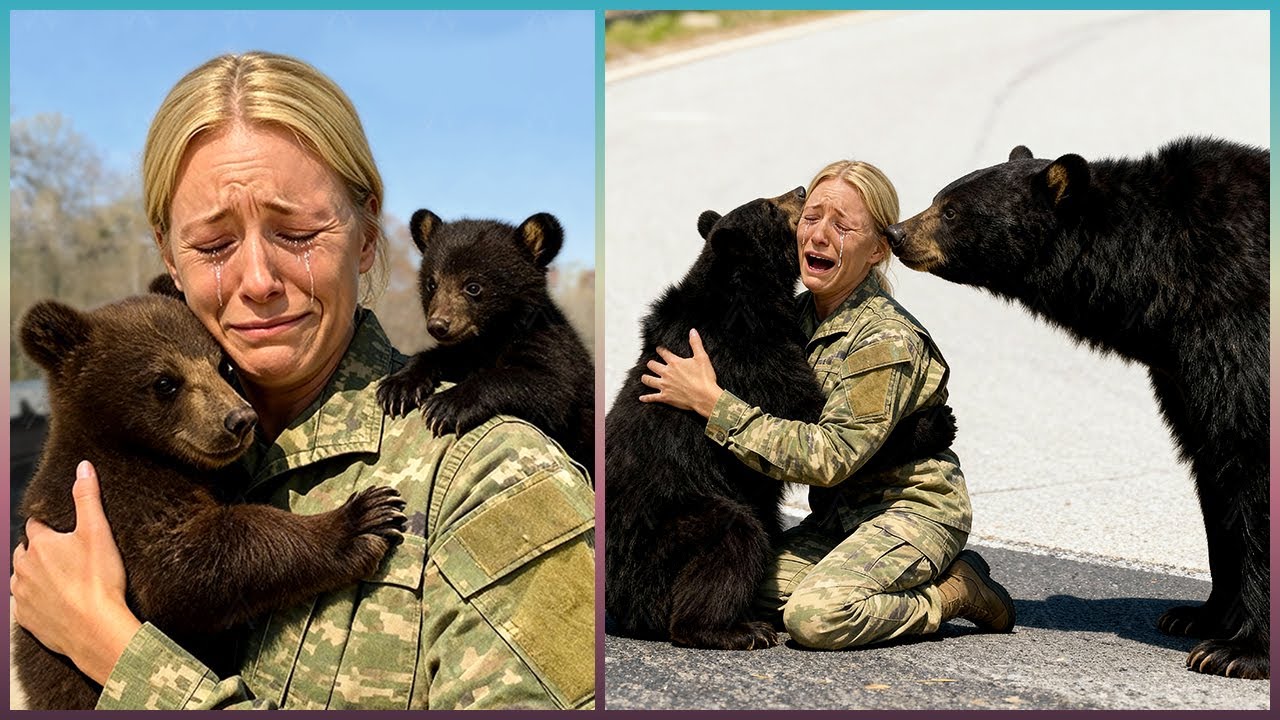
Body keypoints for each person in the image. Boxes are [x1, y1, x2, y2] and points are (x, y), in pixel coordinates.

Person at [9, 51, 595, 710]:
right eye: (212, 246)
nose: (258, 281)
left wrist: (117, 654)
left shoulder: (494, 475)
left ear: (368, 234)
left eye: (296, 233)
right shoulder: (135, 448)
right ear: (169, 258)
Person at [639, 159, 1015, 650]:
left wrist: (714, 404)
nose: (818, 235)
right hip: (838, 518)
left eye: (842, 226)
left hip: (908, 513)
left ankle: (952, 592)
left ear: (878, 248)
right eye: (810, 218)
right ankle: (854, 576)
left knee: (817, 617)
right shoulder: (792, 319)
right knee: (729, 591)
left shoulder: (885, 338)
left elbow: (829, 457)